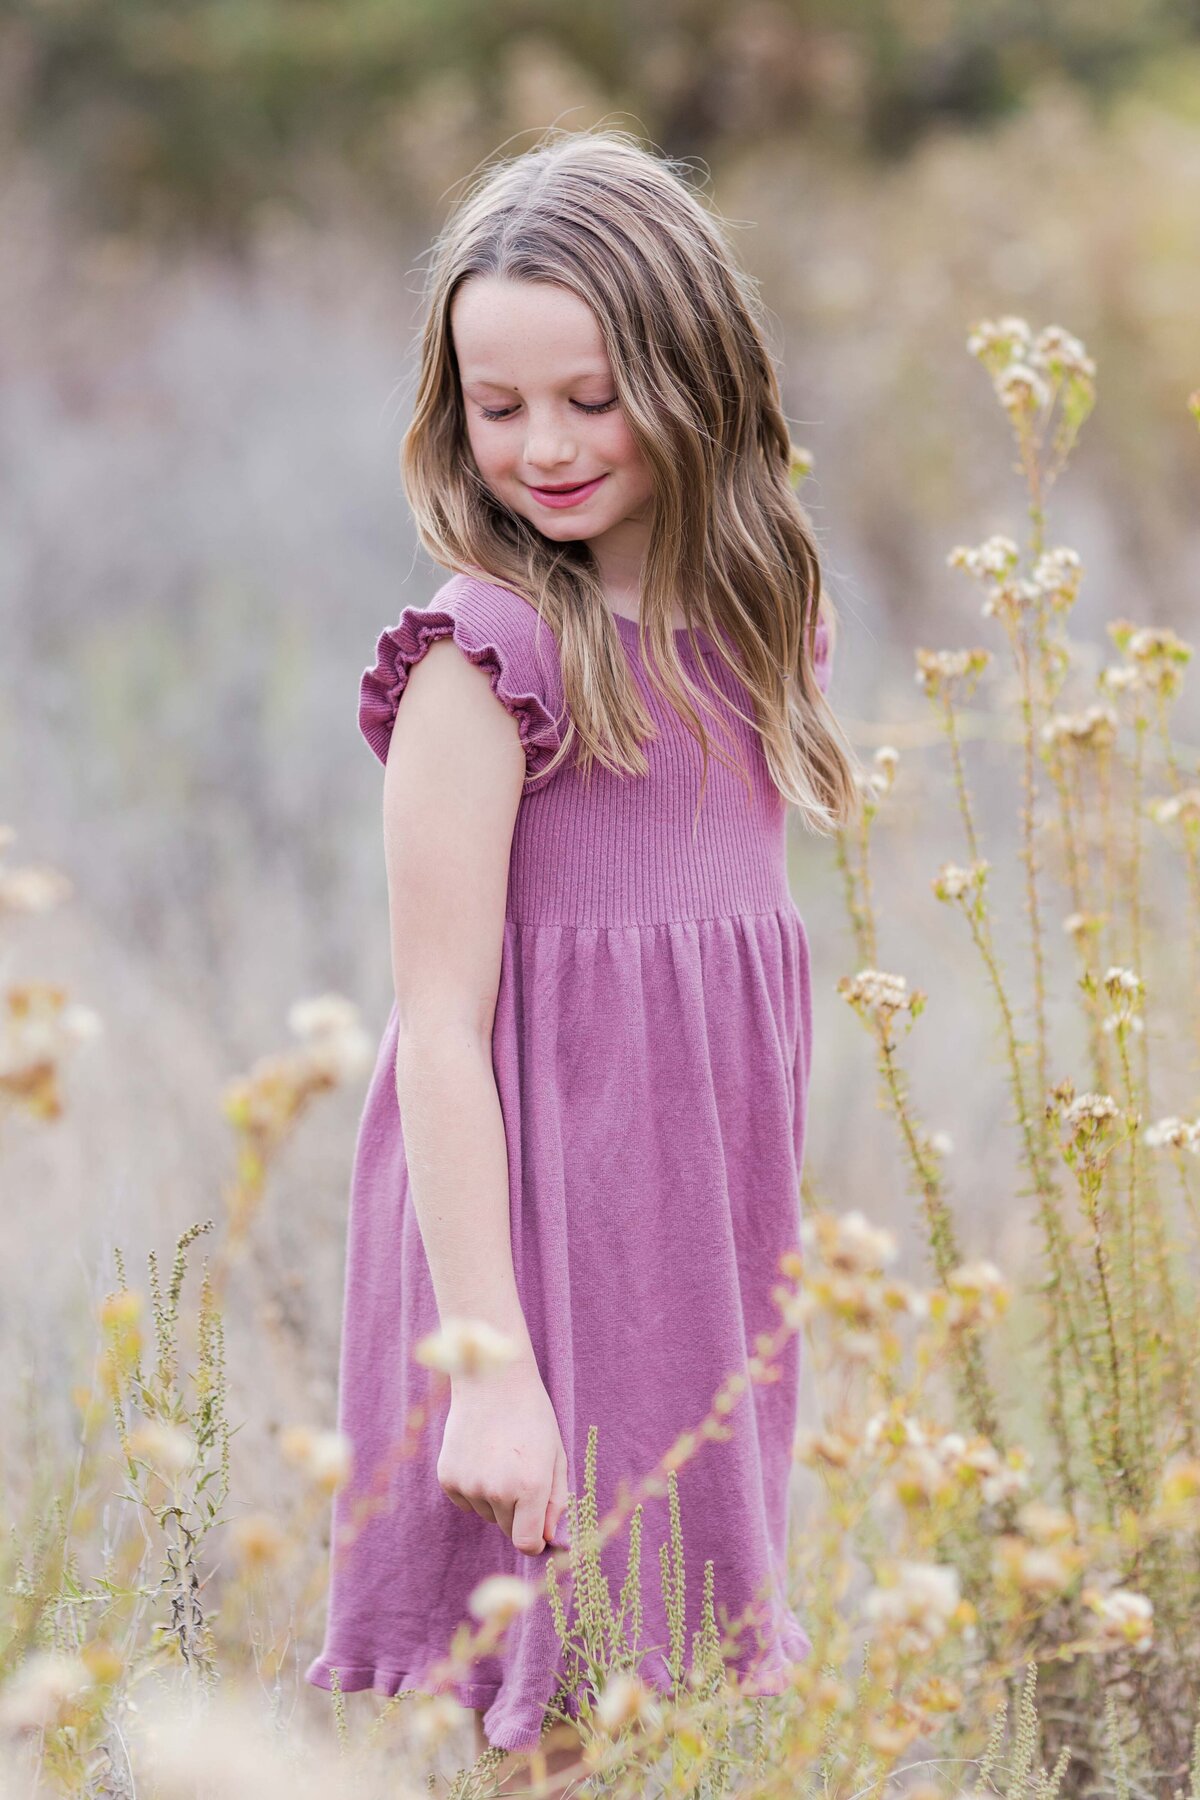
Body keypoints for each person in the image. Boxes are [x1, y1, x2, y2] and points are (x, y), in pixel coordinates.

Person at [305, 125, 861, 1795]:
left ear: (692, 375)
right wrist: (490, 1372)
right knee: (549, 1720)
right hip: (525, 1255)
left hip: (691, 1249)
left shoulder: (762, 630)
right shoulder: (486, 664)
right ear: (452, 412)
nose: (541, 446)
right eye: (499, 407)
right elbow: (444, 1033)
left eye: (589, 396)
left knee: (669, 1700)